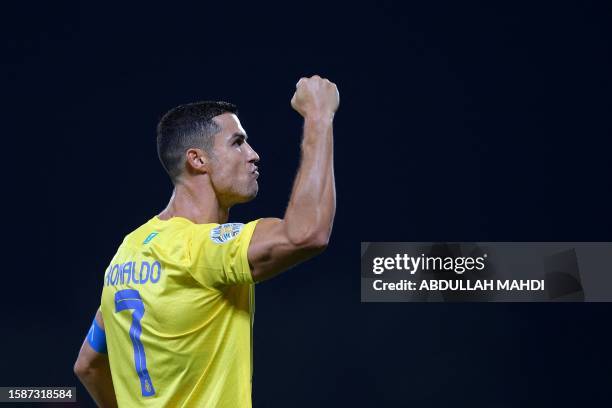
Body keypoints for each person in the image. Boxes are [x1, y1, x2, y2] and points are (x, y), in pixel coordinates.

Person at [73, 75, 339, 407]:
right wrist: (318, 115)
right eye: (238, 143)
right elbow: (307, 234)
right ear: (197, 160)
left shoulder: (128, 252)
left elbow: (88, 365)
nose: (253, 154)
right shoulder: (198, 249)